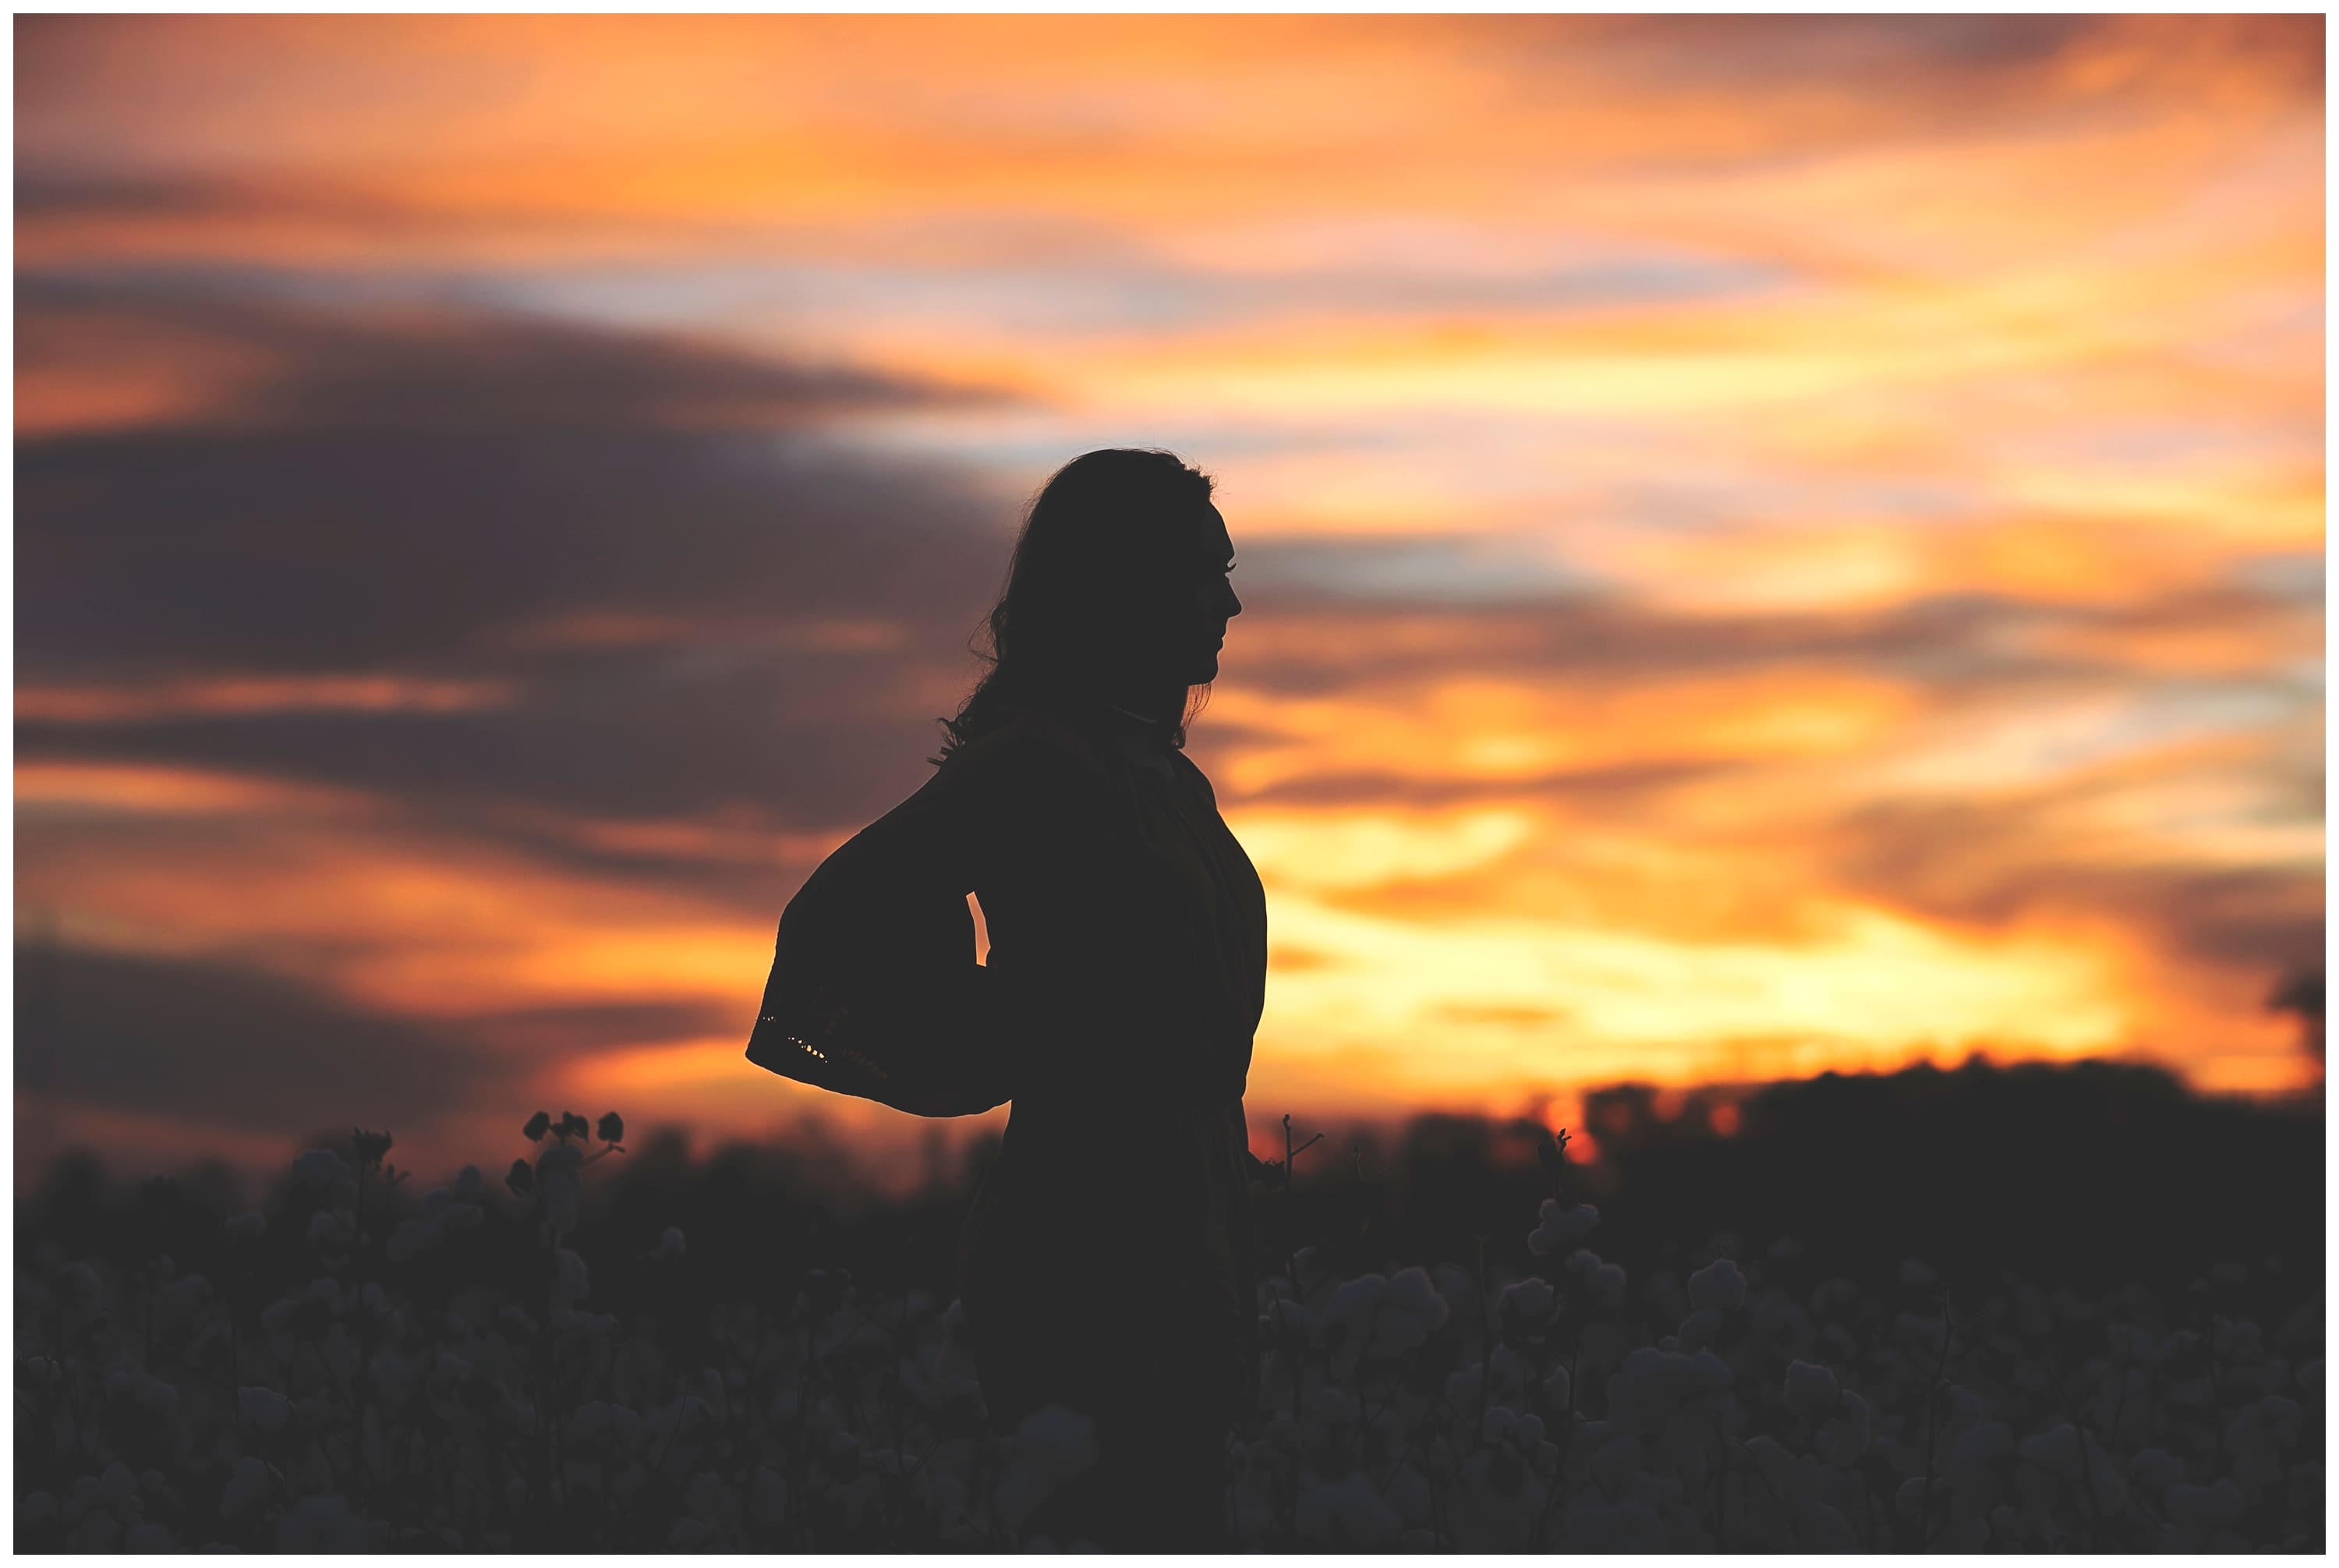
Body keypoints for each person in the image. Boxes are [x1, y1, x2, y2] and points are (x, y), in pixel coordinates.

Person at [747, 448, 1265, 1549]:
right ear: (1121, 585)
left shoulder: (1166, 780)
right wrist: (1010, 1036)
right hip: (1082, 1263)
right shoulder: (1039, 764)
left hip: (1190, 1256)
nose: (1229, 601)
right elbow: (837, 926)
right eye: (1198, 573)